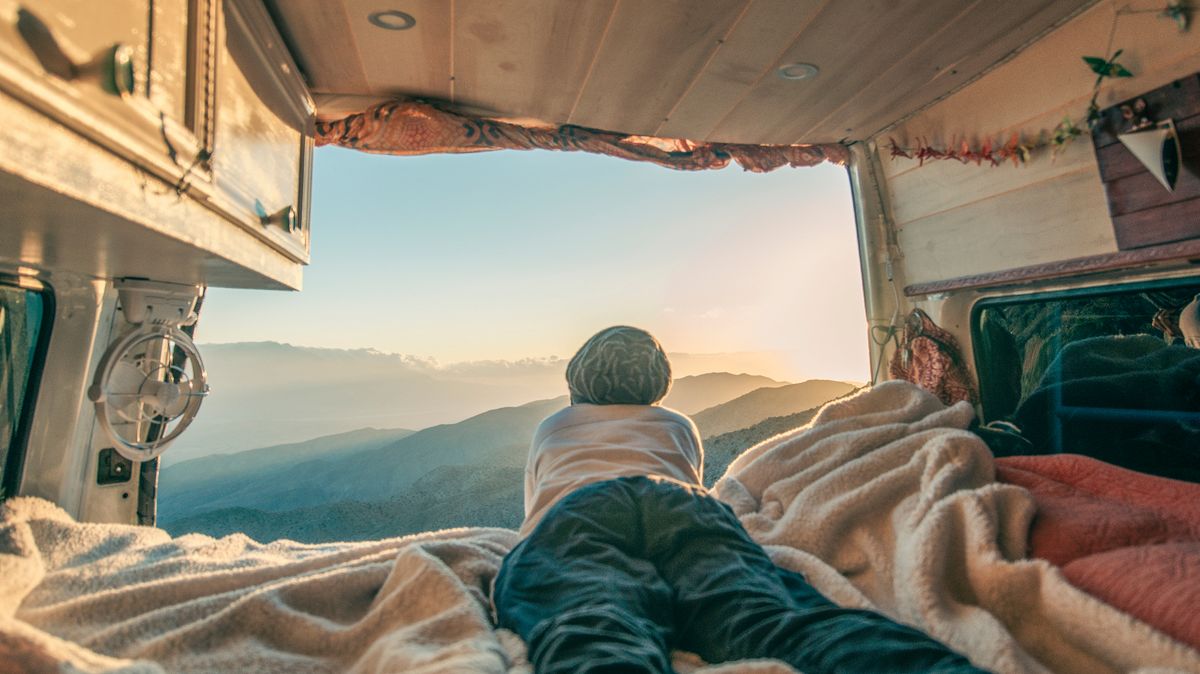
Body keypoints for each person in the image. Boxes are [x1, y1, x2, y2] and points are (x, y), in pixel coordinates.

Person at [492, 326, 990, 674]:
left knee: (591, 624)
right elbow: (690, 480)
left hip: (581, 513)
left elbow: (536, 517)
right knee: (766, 617)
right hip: (679, 504)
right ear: (658, 386)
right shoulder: (677, 425)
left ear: (576, 384)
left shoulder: (552, 428)